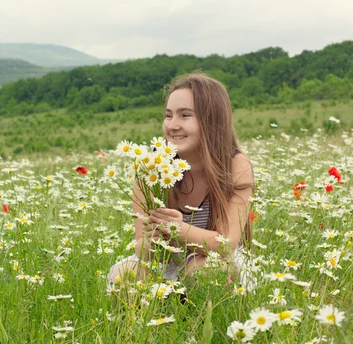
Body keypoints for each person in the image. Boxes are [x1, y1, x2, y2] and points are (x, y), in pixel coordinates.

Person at [108, 72, 255, 285]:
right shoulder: (151, 167)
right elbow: (141, 249)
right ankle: (141, 317)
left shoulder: (234, 165)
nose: (172, 125)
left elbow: (226, 245)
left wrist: (177, 229)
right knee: (126, 274)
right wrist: (151, 241)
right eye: (168, 115)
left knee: (203, 271)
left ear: (212, 120)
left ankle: (200, 318)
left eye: (185, 115)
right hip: (165, 262)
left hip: (214, 260)